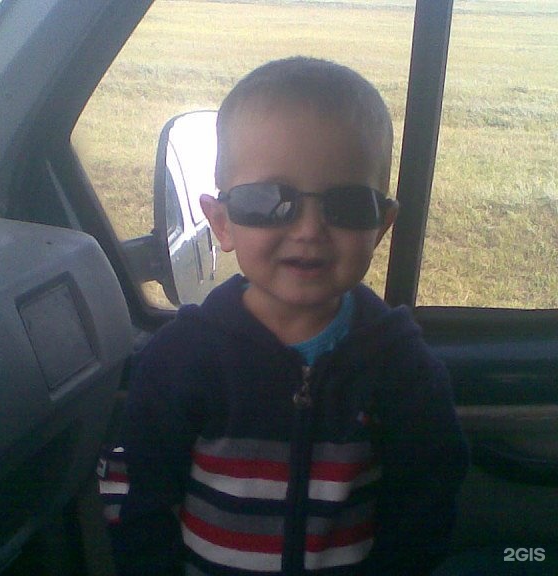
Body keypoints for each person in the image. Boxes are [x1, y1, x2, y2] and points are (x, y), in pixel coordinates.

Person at [113, 57, 469, 576]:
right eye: (268, 200)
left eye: (347, 205)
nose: (308, 229)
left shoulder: (401, 368)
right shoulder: (182, 359)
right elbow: (144, 504)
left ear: (381, 226)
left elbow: (424, 510)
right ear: (221, 223)